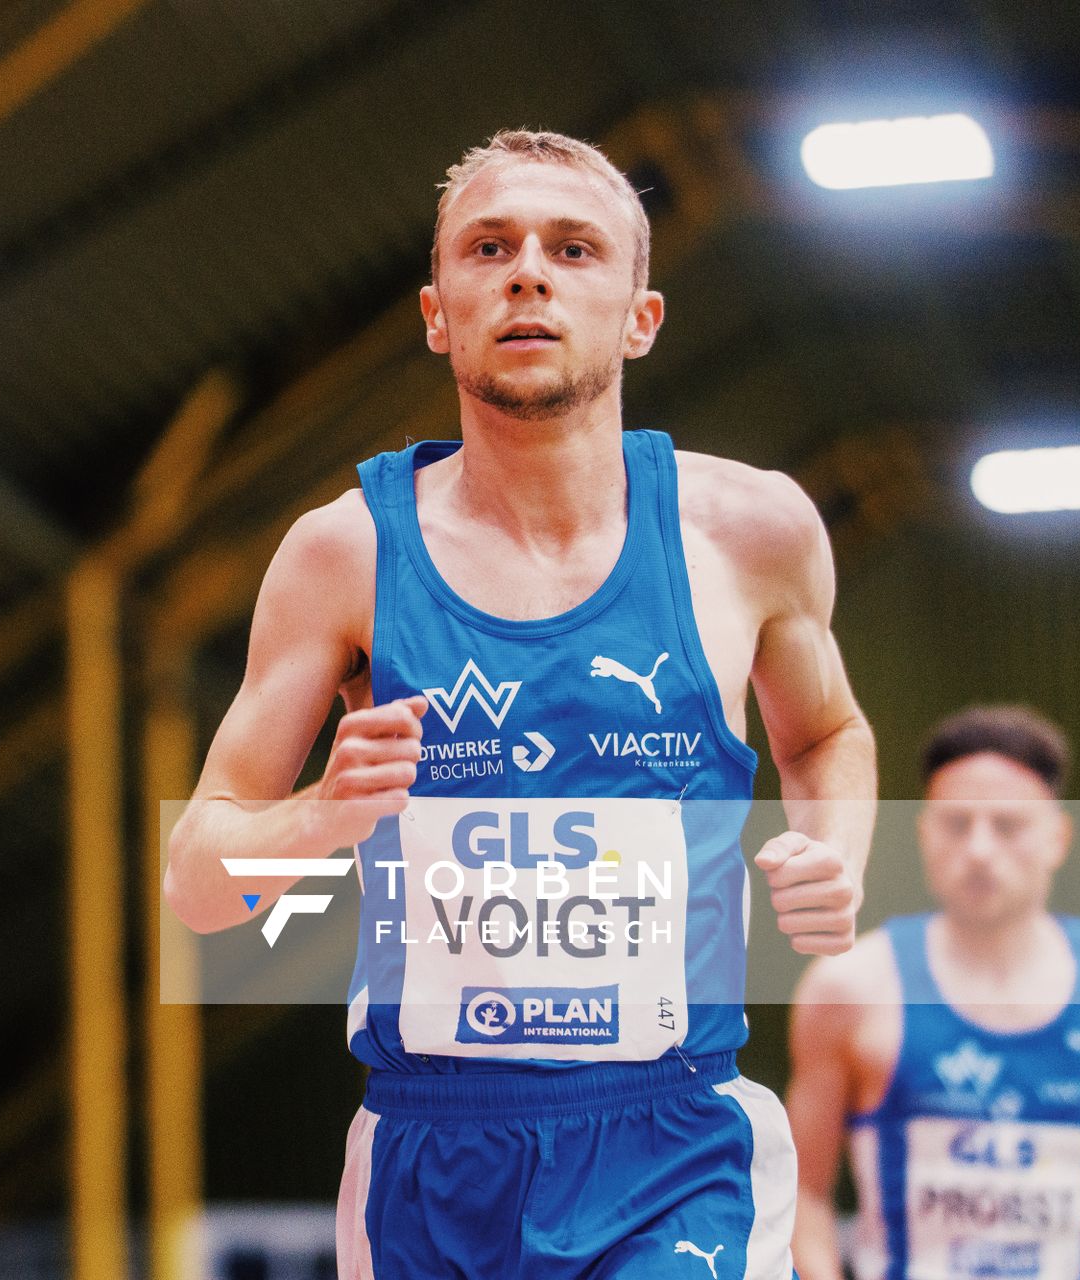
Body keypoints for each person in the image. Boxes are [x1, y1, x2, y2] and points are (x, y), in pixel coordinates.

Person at [164, 128, 876, 1279]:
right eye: (489, 247)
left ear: (640, 315)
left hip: (675, 1138)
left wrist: (836, 849)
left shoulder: (748, 533)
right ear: (439, 311)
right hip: (428, 1154)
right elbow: (195, 885)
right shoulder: (342, 556)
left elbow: (828, 731)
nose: (528, 272)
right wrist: (315, 818)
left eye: (574, 248)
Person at [787, 706, 1080, 1280]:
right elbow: (798, 1196)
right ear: (924, 834)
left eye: (1009, 825)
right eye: (957, 824)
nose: (981, 850)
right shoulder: (851, 990)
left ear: (1058, 837)